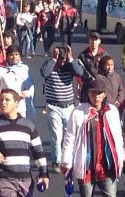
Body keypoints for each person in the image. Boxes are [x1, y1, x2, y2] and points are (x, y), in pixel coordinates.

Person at [0, 88, 50, 196]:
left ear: (16, 103)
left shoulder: (28, 126)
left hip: (25, 181)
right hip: (3, 180)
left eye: (7, 100)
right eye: (1, 100)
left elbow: (38, 151)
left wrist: (43, 173)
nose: (3, 103)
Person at [60, 78, 125, 197]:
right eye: (93, 93)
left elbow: (118, 137)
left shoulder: (112, 112)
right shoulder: (78, 113)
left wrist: (121, 157)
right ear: (88, 93)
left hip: (107, 167)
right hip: (86, 168)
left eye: (99, 93)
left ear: (104, 94)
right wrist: (66, 161)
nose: (96, 97)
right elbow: (69, 139)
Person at [40, 43, 85, 173]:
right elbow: (44, 73)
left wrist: (70, 58)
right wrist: (54, 59)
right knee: (56, 135)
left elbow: (80, 72)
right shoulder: (49, 64)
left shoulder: (70, 65)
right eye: (60, 58)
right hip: (53, 106)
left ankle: (68, 160)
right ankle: (57, 161)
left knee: (68, 135)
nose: (62, 61)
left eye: (63, 58)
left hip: (69, 106)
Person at [0, 45, 35, 119]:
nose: (14, 57)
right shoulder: (0, 70)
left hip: (20, 106)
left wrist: (26, 93)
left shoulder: (25, 69)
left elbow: (30, 86)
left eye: (16, 54)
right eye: (11, 55)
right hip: (5, 107)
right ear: (7, 56)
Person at [77, 31, 108, 101]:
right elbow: (78, 73)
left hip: (100, 88)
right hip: (86, 88)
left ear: (99, 41)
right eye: (92, 40)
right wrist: (80, 85)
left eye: (96, 40)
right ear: (89, 41)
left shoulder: (104, 55)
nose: (94, 42)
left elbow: (109, 72)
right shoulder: (82, 56)